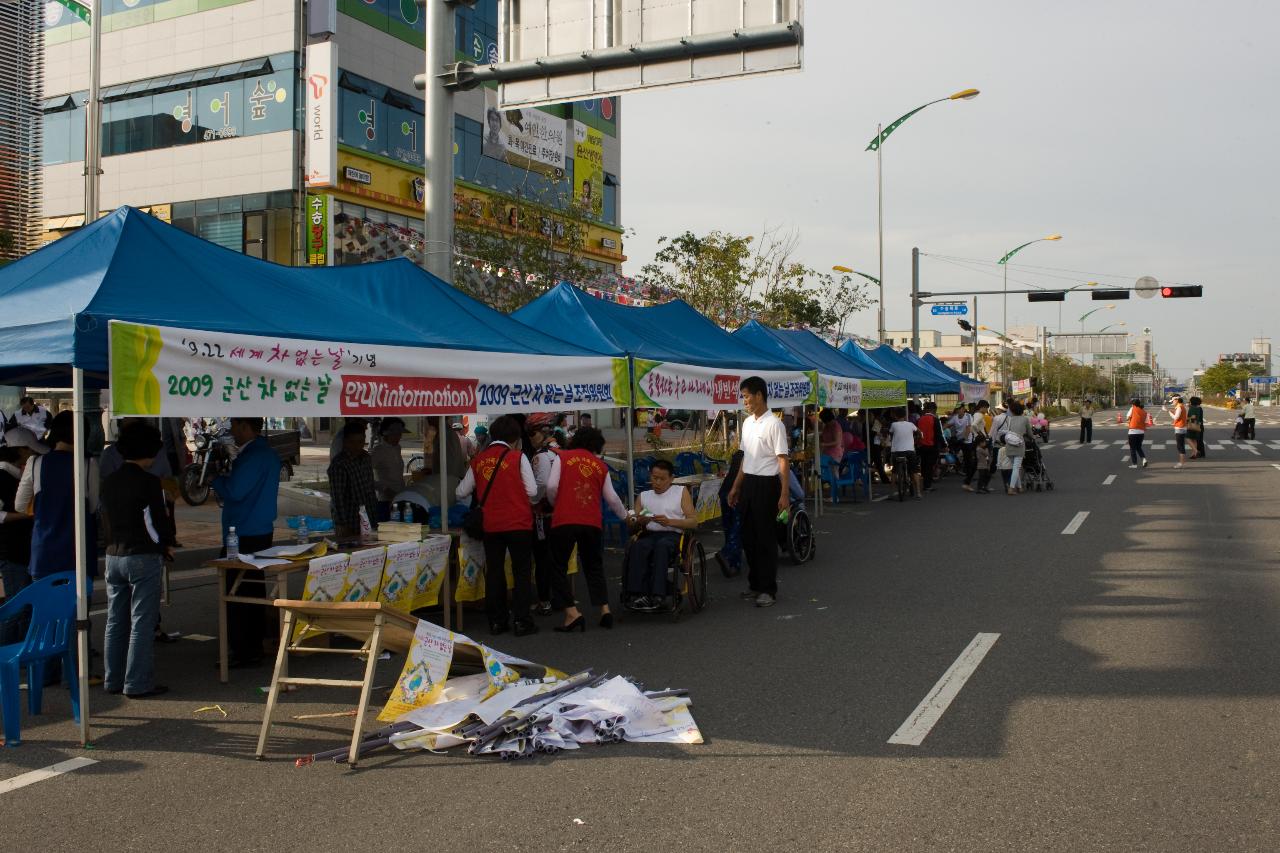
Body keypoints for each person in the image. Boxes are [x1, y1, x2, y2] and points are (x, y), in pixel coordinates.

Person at [100, 421, 175, 698]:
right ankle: (137, 682)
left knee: (115, 620)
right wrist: (165, 545)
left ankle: (113, 679)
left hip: (113, 555)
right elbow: (156, 521)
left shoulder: (109, 482)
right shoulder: (149, 482)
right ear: (151, 450)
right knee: (141, 621)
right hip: (142, 555)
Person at [456, 415, 539, 637]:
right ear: (515, 438)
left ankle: (497, 621)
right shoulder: (517, 457)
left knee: (494, 571)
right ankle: (522, 621)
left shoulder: (479, 460)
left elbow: (460, 492)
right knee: (521, 571)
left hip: (492, 525)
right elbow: (532, 491)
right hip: (519, 523)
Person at [211, 417, 281, 668]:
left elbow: (236, 491)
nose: (232, 433)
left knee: (238, 594)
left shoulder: (253, 456)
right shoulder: (267, 454)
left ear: (244, 426)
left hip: (243, 532)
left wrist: (216, 480)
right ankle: (252, 645)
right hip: (259, 528)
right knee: (252, 589)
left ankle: (244, 648)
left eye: (234, 427)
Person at [545, 427, 627, 631]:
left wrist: (557, 503)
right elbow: (612, 498)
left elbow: (552, 487)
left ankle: (571, 613)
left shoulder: (562, 458)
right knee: (594, 566)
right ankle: (604, 609)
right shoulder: (600, 465)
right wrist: (626, 516)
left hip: (564, 519)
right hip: (591, 521)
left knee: (557, 566)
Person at [726, 377, 790, 609]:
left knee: (765, 538)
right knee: (748, 537)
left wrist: (784, 494)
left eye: (746, 396)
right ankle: (755, 584)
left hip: (768, 485)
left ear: (759, 395)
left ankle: (768, 589)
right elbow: (745, 458)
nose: (744, 401)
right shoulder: (747, 423)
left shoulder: (775, 424)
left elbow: (783, 460)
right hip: (749, 484)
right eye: (743, 396)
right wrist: (736, 486)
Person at [626, 459, 697, 611]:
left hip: (673, 535)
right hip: (650, 534)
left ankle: (658, 594)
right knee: (638, 546)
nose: (657, 482)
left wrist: (670, 521)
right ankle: (637, 593)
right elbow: (632, 524)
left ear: (671, 479)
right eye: (654, 477)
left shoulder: (680, 492)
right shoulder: (644, 496)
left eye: (662, 479)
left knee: (662, 546)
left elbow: (693, 522)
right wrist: (640, 521)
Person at [0, 430, 43, 645]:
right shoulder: (2, 476)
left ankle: (21, 651)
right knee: (16, 606)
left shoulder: (17, 475)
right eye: (30, 449)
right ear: (20, 450)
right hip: (11, 551)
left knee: (24, 606)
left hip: (22, 549)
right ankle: (6, 655)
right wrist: (27, 515)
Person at [528, 423, 560, 616]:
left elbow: (543, 485)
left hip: (543, 513)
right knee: (556, 558)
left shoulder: (540, 456)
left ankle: (544, 600)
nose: (530, 437)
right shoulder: (558, 452)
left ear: (543, 433)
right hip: (559, 513)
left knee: (542, 558)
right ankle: (559, 598)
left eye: (533, 433)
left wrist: (531, 500)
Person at [328, 421, 379, 540]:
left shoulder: (366, 458)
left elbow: (370, 489)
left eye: (360, 442)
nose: (357, 446)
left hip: (370, 517)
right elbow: (337, 498)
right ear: (345, 442)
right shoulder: (339, 465)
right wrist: (342, 524)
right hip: (350, 521)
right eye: (352, 442)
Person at [371, 418, 409, 521]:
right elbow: (366, 475)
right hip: (385, 500)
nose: (399, 437)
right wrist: (384, 488)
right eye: (396, 434)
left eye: (400, 434)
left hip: (400, 497)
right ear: (386, 434)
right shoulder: (378, 451)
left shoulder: (398, 448)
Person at [887, 408, 923, 499]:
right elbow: (920, 432)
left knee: (894, 471)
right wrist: (918, 438)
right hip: (910, 451)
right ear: (904, 415)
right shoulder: (911, 424)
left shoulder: (893, 425)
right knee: (914, 471)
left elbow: (890, 433)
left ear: (895, 416)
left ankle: (891, 493)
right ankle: (918, 492)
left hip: (897, 451)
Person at [997, 400, 1032, 494]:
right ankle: (1011, 488)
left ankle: (1019, 487)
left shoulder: (1010, 419)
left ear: (1012, 411)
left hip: (1009, 445)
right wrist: (1032, 437)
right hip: (1019, 445)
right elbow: (1030, 433)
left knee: (1014, 467)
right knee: (1017, 467)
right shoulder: (1025, 419)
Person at [916, 403, 941, 493]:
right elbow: (938, 434)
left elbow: (916, 433)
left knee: (923, 464)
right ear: (934, 410)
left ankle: (924, 482)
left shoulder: (919, 419)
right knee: (930, 466)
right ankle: (927, 485)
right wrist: (944, 445)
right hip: (932, 446)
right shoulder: (935, 420)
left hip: (921, 446)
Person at [953, 404, 977, 492]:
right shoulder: (956, 417)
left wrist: (965, 438)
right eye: (957, 409)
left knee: (970, 462)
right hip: (965, 442)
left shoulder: (968, 416)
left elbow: (969, 427)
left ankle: (968, 480)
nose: (958, 410)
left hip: (968, 441)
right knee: (971, 462)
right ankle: (967, 482)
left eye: (960, 409)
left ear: (963, 409)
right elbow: (947, 424)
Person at [1124, 398, 1148, 470]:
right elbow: (1145, 422)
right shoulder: (1144, 412)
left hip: (1133, 432)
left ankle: (1134, 464)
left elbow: (1127, 417)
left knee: (1132, 449)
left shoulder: (1133, 409)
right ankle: (1144, 459)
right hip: (1141, 432)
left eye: (1132, 403)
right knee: (1138, 447)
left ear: (1133, 404)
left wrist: (1129, 420)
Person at [1166, 395, 1189, 469]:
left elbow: (1175, 417)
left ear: (1176, 400)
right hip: (1182, 427)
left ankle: (1181, 463)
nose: (1172, 402)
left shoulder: (1179, 407)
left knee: (1180, 446)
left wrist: (1168, 411)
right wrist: (1169, 411)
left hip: (1180, 428)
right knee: (1181, 445)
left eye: (1173, 401)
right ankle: (1181, 462)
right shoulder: (1181, 406)